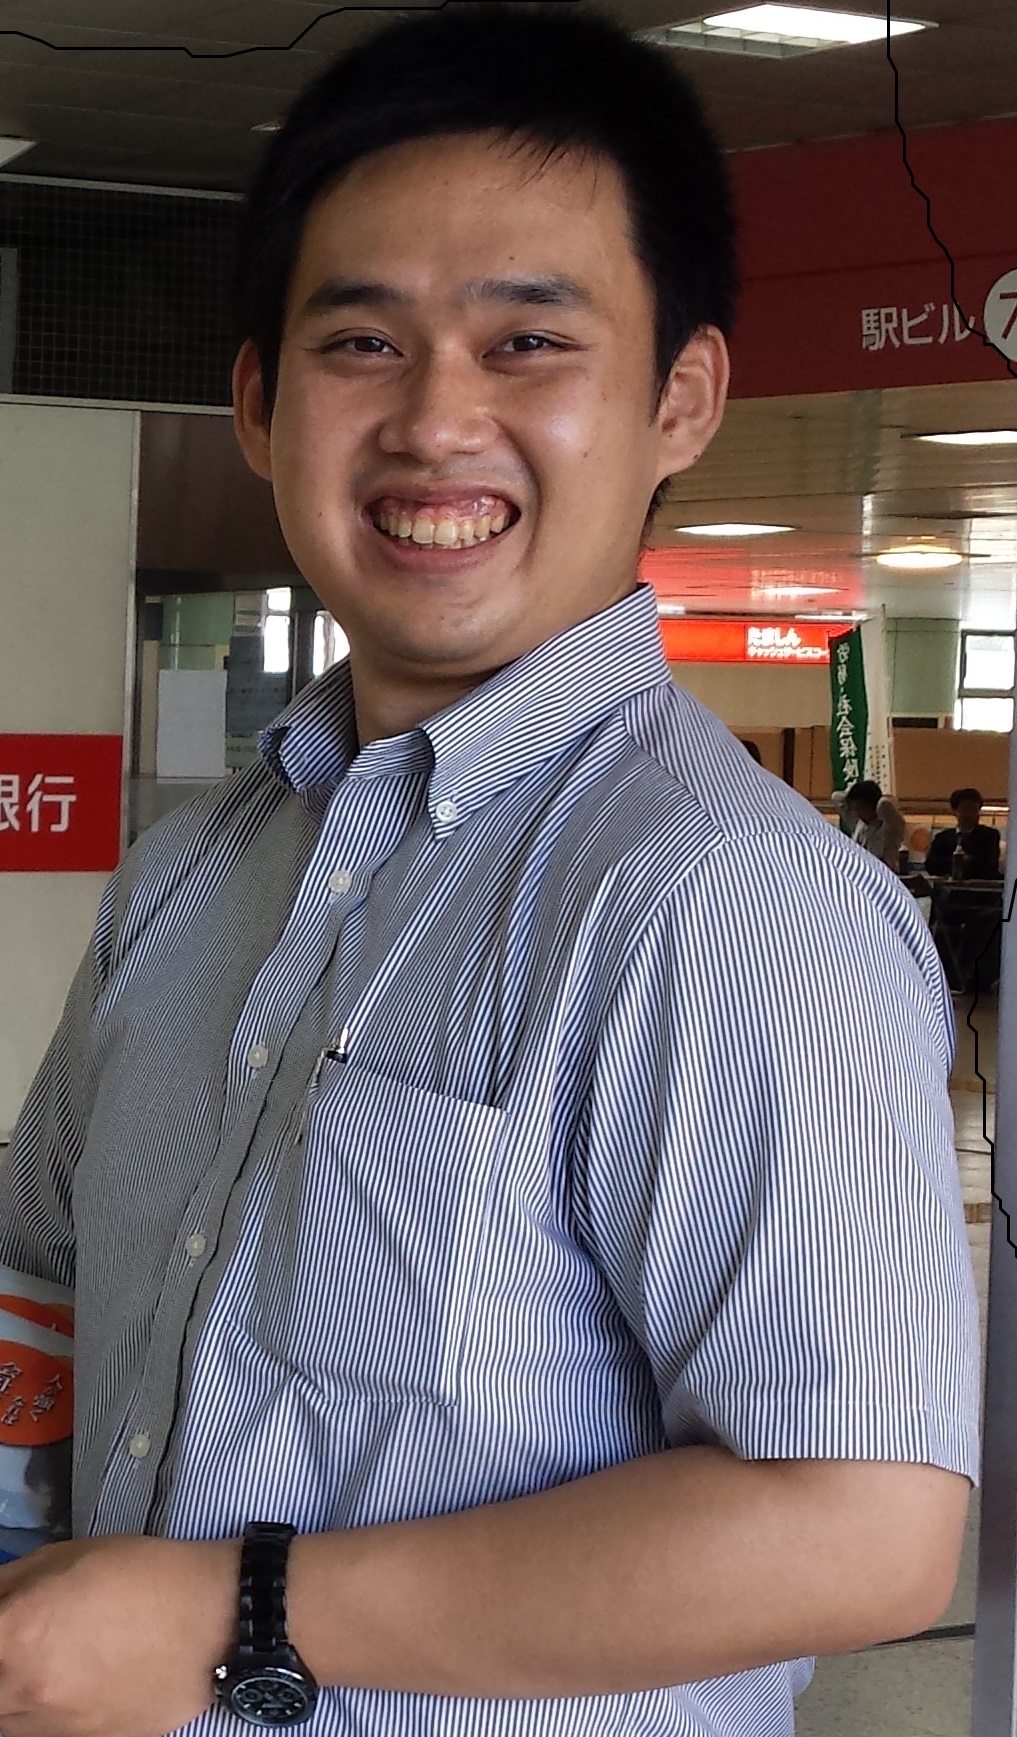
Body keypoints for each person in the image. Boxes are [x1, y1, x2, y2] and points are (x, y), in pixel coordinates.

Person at [0, 8, 978, 1737]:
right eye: (361, 341)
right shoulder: (188, 877)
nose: (436, 419)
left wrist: (241, 1612)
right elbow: (42, 1293)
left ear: (681, 397)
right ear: (259, 402)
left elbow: (860, 1528)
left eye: (529, 341)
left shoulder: (719, 903)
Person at [923, 786, 1002, 880]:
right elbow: (931, 865)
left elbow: (988, 865)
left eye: (975, 810)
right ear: (955, 811)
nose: (970, 814)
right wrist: (960, 860)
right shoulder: (943, 838)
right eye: (965, 809)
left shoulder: (989, 835)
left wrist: (950, 863)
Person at [843, 779, 907, 870]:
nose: (857, 813)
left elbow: (884, 803)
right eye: (855, 809)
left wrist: (879, 799)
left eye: (860, 807)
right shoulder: (860, 825)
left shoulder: (889, 828)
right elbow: (836, 797)